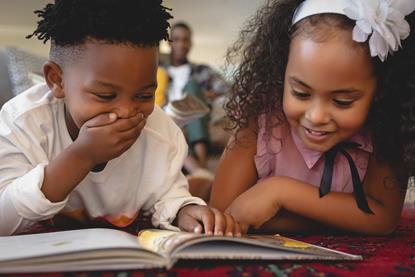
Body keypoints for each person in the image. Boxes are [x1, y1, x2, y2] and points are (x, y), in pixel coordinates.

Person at [0, 0, 241, 237]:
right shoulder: (21, 125)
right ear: (57, 80)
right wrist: (81, 155)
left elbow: (168, 197)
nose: (126, 111)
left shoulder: (161, 134)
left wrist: (186, 210)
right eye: (105, 95)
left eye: (144, 95)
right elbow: (4, 220)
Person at [210, 0, 415, 235]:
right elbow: (224, 213)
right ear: (281, 71)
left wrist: (280, 192)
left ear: (382, 90)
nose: (316, 116)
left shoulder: (388, 125)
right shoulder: (259, 116)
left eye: (342, 101)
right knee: (202, 196)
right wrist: (346, 218)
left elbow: (382, 219)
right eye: (301, 93)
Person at [161, 21, 230, 179]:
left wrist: (206, 94)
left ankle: (200, 165)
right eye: (176, 39)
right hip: (169, 118)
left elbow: (227, 88)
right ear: (170, 42)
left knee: (192, 87)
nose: (181, 44)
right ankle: (201, 173)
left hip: (196, 116)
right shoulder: (158, 71)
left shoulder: (201, 70)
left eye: (185, 40)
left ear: (190, 43)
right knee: (168, 126)